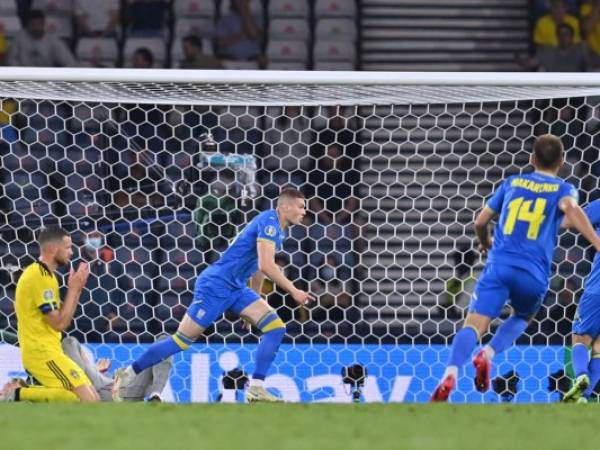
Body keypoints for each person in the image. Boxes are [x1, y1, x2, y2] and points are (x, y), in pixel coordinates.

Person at [431, 134, 600, 402]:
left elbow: (479, 222)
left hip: (499, 264)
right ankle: (488, 354)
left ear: (532, 158)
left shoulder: (512, 183)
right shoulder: (564, 189)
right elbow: (571, 210)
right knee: (523, 316)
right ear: (562, 161)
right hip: (533, 272)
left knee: (474, 324)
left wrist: (486, 244)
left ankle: (450, 373)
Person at [114, 187, 313, 402]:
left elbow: (258, 266)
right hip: (216, 285)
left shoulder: (276, 229)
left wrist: (255, 300)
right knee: (181, 341)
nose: (304, 212)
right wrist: (294, 291)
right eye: (301, 206)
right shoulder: (269, 222)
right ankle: (127, 374)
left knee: (275, 327)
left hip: (237, 288)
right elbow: (267, 264)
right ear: (285, 206)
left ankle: (256, 388)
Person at [9, 226, 98, 402]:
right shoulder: (38, 276)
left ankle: (20, 391)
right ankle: (18, 394)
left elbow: (63, 317)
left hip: (52, 350)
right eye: (67, 247)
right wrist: (73, 290)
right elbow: (59, 324)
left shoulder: (48, 276)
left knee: (89, 397)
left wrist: (77, 290)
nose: (71, 252)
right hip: (41, 352)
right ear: (52, 249)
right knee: (89, 401)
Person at [561, 199, 600, 402]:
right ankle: (582, 397)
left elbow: (568, 220)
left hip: (597, 289)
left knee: (580, 338)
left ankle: (582, 376)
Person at [7, 10, 76, 67]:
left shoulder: (53, 40)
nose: (36, 28)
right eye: (33, 24)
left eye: (39, 24)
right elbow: (11, 61)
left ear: (44, 24)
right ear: (28, 25)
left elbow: (70, 62)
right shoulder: (19, 39)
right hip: (23, 77)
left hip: (46, 77)